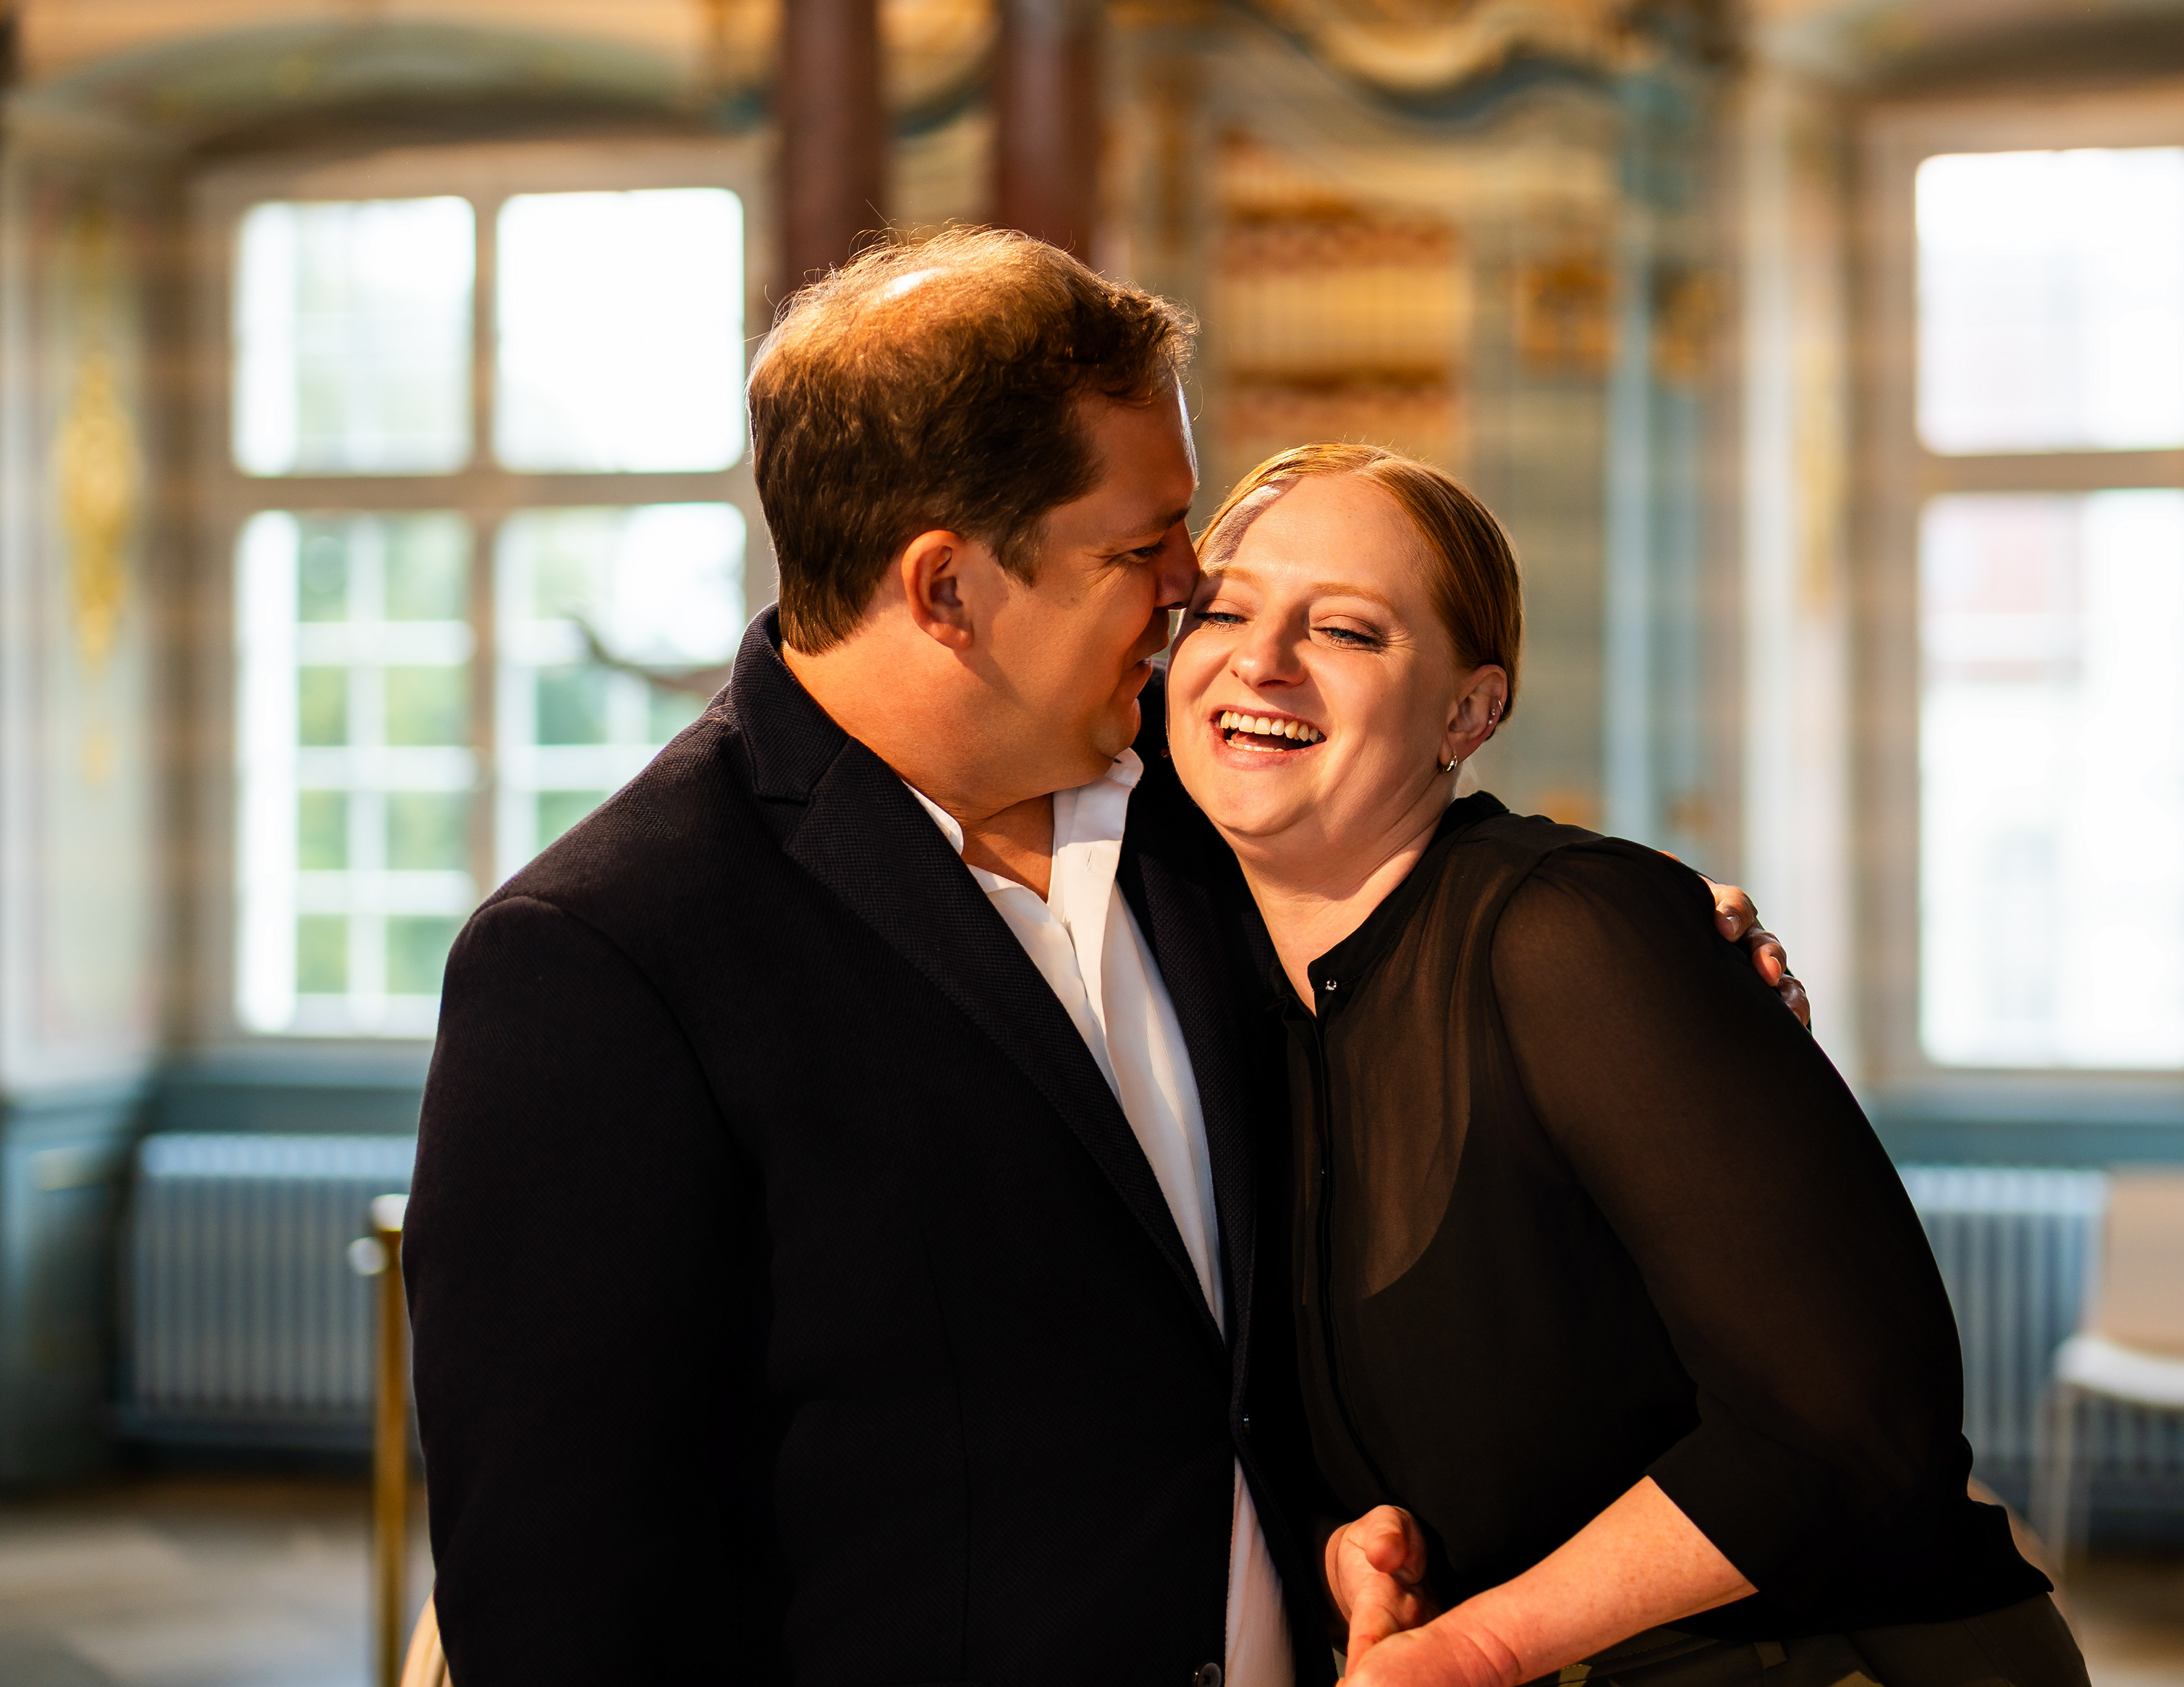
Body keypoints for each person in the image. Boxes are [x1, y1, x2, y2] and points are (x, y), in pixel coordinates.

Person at [405, 230, 1800, 1686]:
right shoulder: (603, 960)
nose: (1195, 583)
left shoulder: (1192, 824)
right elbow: (563, 1602)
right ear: (946, 589)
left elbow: (1413, 903)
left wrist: (1646, 941)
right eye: (1141, 546)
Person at [1167, 444, 2087, 1687]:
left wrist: (1481, 1645)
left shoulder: (1572, 934)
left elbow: (1856, 1429)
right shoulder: (1213, 988)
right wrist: (1349, 1539)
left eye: (1347, 630)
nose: (1261, 660)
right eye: (1225, 609)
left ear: (1469, 713)